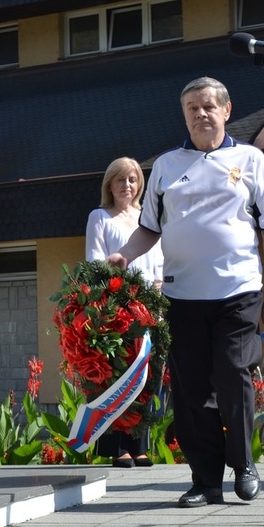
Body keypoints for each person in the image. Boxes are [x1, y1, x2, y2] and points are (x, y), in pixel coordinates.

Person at [108, 76, 264, 507]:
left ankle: (243, 464)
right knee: (190, 390)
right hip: (182, 294)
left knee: (231, 376)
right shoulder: (167, 166)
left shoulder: (250, 159)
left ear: (227, 110)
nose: (200, 113)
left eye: (208, 105)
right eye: (191, 107)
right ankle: (206, 480)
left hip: (238, 290)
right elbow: (149, 228)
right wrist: (124, 255)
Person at [86, 157, 164, 468]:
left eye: (132, 179)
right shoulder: (100, 217)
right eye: (120, 179)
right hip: (117, 306)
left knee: (147, 376)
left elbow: (160, 264)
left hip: (150, 307)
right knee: (117, 375)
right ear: (109, 184)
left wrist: (155, 298)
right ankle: (118, 447)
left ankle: (140, 444)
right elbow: (95, 263)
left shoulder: (148, 220)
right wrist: (121, 295)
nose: (127, 185)